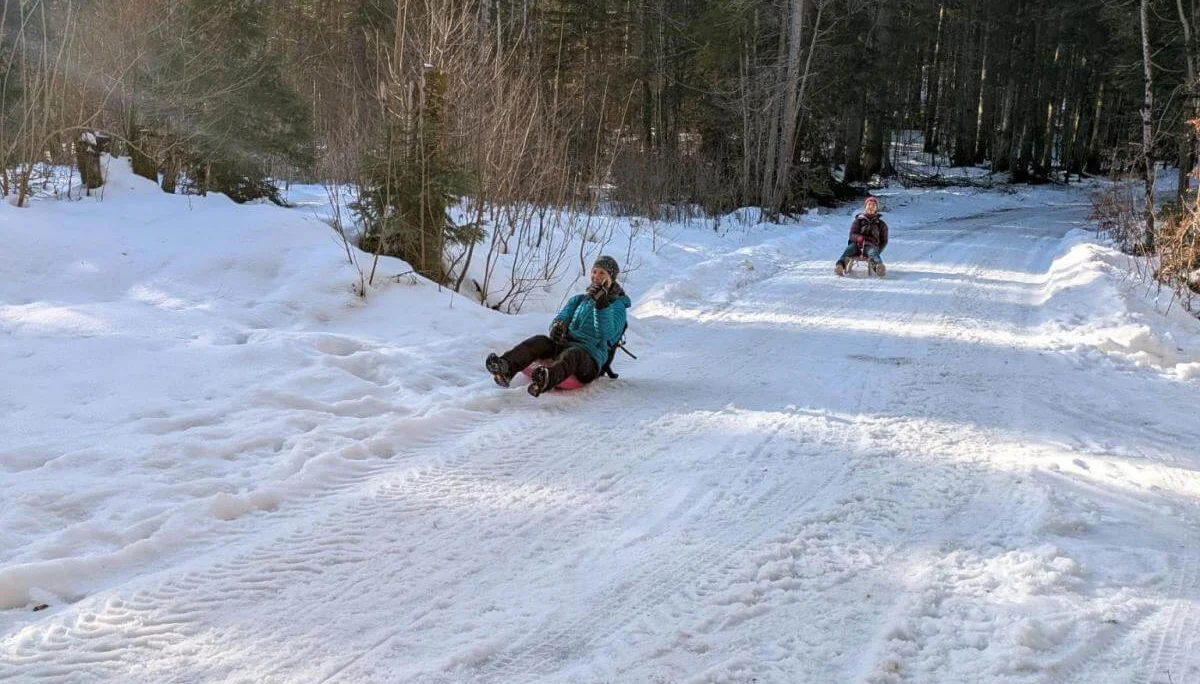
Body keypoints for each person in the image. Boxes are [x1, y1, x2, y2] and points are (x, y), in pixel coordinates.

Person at [486, 255, 632, 397]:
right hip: (564, 346)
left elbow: (606, 334)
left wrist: (601, 306)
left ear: (611, 278)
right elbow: (563, 316)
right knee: (539, 341)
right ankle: (505, 368)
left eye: (602, 273)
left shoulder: (618, 306)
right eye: (594, 271)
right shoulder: (579, 300)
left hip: (589, 359)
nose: (596, 276)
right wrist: (557, 326)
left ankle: (546, 379)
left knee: (573, 354)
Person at [835, 195, 889, 277]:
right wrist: (858, 237)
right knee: (849, 250)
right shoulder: (858, 221)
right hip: (856, 244)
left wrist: (878, 250)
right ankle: (840, 266)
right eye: (869, 205)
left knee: (873, 254)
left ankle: (879, 267)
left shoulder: (881, 224)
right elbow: (852, 234)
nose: (871, 207)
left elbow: (884, 241)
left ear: (876, 209)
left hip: (871, 246)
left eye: (873, 205)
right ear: (865, 207)